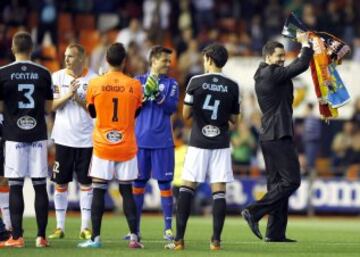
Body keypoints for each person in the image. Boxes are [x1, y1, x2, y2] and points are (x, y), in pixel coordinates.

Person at [166, 43, 240, 250]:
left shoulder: (195, 81)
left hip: (199, 141)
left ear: (208, 59)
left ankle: (179, 240)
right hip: (221, 143)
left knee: (187, 187)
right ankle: (216, 241)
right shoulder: (233, 85)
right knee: (219, 191)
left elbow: (186, 115)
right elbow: (236, 119)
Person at [241, 33, 314, 242]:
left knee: (277, 185)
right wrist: (306, 44)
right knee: (292, 181)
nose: (282, 59)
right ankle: (254, 211)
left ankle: (274, 233)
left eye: (283, 55)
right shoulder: (270, 74)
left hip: (270, 135)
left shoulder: (265, 73)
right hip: (278, 133)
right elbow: (300, 65)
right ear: (268, 57)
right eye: (279, 56)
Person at [77, 42, 143, 249]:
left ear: (106, 59)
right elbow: (136, 113)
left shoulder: (96, 83)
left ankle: (95, 238)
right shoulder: (134, 85)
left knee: (98, 190)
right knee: (127, 192)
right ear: (124, 61)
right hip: (126, 145)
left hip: (103, 145)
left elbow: (93, 113)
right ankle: (134, 238)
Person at [0, 31, 53, 248]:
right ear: (31, 49)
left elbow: (0, 108)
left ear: (13, 48)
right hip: (38, 134)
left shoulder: (3, 73)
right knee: (40, 186)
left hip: (13, 136)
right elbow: (49, 108)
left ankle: (17, 237)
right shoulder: (43, 72)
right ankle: (41, 237)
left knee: (15, 186)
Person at [123, 45, 179, 241]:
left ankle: (167, 229)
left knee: (165, 184)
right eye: (164, 60)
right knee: (138, 185)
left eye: (168, 61)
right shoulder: (138, 81)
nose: (168, 64)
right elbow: (130, 106)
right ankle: (134, 230)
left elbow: (171, 108)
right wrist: (145, 95)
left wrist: (157, 95)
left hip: (163, 141)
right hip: (140, 142)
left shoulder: (172, 83)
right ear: (154, 60)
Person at [48, 43, 97, 240]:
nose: (66, 59)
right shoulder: (57, 77)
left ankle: (85, 227)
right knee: (60, 184)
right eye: (66, 55)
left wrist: (79, 99)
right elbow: (52, 106)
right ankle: (59, 227)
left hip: (86, 139)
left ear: (81, 58)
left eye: (71, 56)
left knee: (86, 183)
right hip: (63, 138)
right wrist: (69, 95)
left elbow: (95, 111)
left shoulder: (93, 79)